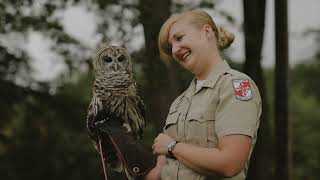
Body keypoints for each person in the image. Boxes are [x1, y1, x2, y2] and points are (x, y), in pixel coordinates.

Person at [145, 9, 261, 180]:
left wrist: (172, 146)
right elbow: (157, 174)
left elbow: (231, 163)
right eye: (171, 47)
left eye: (179, 38)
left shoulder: (235, 85)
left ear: (206, 32)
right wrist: (125, 158)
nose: (175, 50)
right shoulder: (179, 102)